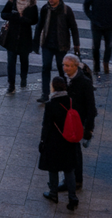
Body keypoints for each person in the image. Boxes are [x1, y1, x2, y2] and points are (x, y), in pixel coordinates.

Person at [34, 0, 80, 103]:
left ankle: (64, 93)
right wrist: (35, 42)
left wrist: (76, 45)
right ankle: (45, 94)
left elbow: (73, 28)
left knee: (62, 69)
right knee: (45, 68)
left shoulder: (66, 10)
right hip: (47, 44)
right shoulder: (45, 9)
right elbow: (39, 26)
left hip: (61, 45)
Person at [38, 77, 78, 210]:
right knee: (69, 170)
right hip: (69, 140)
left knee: (53, 168)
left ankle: (53, 193)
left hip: (54, 141)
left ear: (53, 87)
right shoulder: (71, 101)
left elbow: (46, 126)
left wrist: (42, 141)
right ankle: (73, 197)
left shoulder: (50, 105)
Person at [61, 53, 96, 193]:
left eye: (68, 66)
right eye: (64, 65)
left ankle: (75, 180)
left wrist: (89, 129)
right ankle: (72, 179)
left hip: (76, 122)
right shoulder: (66, 78)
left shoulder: (84, 82)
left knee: (74, 152)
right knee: (70, 151)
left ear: (76, 66)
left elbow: (91, 107)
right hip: (68, 121)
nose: (65, 68)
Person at [0, 0, 39, 93]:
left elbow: (35, 20)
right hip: (11, 37)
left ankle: (23, 78)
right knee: (11, 63)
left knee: (24, 61)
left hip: (25, 38)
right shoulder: (12, 1)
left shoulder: (32, 5)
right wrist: (14, 16)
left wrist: (24, 19)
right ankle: (11, 84)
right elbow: (3, 14)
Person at [83, 0, 112, 74]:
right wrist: (92, 17)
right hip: (96, 25)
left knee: (109, 46)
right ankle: (96, 66)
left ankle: (106, 62)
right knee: (96, 46)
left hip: (109, 25)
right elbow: (86, 5)